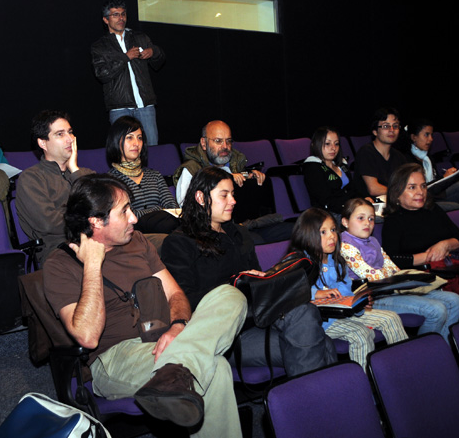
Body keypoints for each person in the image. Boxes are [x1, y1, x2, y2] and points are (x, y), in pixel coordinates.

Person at [44, 174, 247, 437]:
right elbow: (87, 336)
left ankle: (175, 371)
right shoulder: (60, 264)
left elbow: (175, 295)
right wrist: (92, 265)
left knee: (230, 295)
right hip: (115, 358)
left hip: (166, 340)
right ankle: (179, 370)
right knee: (215, 367)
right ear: (95, 221)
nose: (134, 218)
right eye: (124, 211)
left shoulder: (138, 242)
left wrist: (178, 326)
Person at [161, 167, 336, 377]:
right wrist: (236, 287)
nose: (233, 201)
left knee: (307, 314)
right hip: (226, 333)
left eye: (233, 194)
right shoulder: (179, 242)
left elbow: (259, 285)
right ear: (200, 197)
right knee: (318, 342)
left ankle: (308, 404)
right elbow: (185, 300)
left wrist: (262, 280)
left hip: (259, 317)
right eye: (224, 195)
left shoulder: (240, 233)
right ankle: (316, 404)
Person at [289, 208, 408, 369]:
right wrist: (316, 293)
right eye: (323, 232)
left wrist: (357, 302)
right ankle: (365, 382)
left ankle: (403, 369)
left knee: (391, 319)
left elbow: (345, 290)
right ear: (307, 236)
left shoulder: (337, 260)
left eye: (332, 230)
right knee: (361, 334)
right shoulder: (299, 263)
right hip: (320, 323)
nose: (331, 236)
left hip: (342, 314)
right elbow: (290, 290)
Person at [340, 198, 459, 340]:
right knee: (436, 310)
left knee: (455, 301)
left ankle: (443, 350)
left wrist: (393, 276)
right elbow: (371, 276)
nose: (367, 223)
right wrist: (391, 276)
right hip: (372, 299)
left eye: (371, 219)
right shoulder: (345, 246)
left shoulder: (373, 241)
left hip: (389, 289)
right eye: (360, 218)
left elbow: (392, 267)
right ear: (345, 222)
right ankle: (424, 353)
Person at [382, 163, 459, 319]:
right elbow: (393, 260)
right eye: (412, 187)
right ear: (397, 193)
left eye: (423, 186)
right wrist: (429, 256)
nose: (420, 192)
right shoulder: (393, 221)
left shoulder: (433, 209)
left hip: (453, 269)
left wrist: (444, 245)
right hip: (425, 277)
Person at [172, 120, 292, 244]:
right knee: (252, 240)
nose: (225, 146)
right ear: (204, 143)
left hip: (253, 224)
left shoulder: (237, 164)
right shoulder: (191, 169)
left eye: (228, 141)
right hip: (219, 229)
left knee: (294, 230)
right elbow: (189, 209)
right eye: (218, 141)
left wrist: (252, 178)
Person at [15, 110, 94, 264]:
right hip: (59, 251)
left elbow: (104, 205)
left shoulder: (83, 173)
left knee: (145, 244)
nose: (70, 139)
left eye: (70, 133)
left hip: (96, 241)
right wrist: (90, 217)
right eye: (60, 134)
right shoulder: (32, 178)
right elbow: (49, 223)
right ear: (42, 143)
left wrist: (74, 170)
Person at [91, 0, 165, 146]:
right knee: (123, 149)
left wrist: (154, 52)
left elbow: (159, 62)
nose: (121, 18)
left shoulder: (139, 37)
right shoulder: (100, 46)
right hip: (119, 107)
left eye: (123, 14)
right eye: (116, 15)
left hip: (145, 105)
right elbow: (102, 74)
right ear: (106, 20)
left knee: (152, 147)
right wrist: (125, 57)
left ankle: (151, 170)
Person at [106, 116, 179, 234]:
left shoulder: (155, 175)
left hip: (165, 230)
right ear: (116, 140)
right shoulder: (111, 181)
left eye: (139, 138)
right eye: (130, 138)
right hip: (134, 235)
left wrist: (147, 213)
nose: (136, 143)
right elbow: (127, 215)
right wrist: (159, 209)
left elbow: (172, 207)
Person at [401, 119, 459, 209]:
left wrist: (447, 178)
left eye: (431, 135)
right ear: (414, 137)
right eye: (426, 135)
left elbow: (434, 184)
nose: (431, 139)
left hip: (435, 195)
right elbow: (419, 189)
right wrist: (444, 178)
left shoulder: (428, 158)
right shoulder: (406, 160)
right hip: (422, 200)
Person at [302, 126, 370, 215]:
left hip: (349, 209)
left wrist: (364, 199)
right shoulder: (312, 167)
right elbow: (325, 200)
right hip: (328, 214)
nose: (333, 148)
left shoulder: (341, 164)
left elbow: (353, 190)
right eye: (327, 144)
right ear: (315, 144)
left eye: (336, 143)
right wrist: (353, 207)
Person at [353, 107, 408, 198]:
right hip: (370, 206)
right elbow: (373, 189)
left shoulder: (400, 157)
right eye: (386, 126)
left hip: (393, 202)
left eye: (395, 126)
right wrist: (402, 192)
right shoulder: (366, 152)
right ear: (375, 131)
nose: (392, 130)